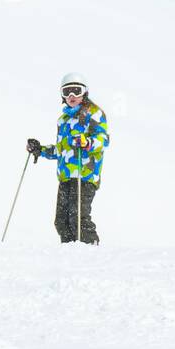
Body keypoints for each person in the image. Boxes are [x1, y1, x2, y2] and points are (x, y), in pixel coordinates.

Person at [27, 73, 110, 244]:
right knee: (61, 222)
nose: (71, 96)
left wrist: (87, 142)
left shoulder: (93, 113)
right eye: (67, 92)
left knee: (78, 218)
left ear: (84, 93)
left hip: (85, 174)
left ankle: (91, 250)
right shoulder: (63, 120)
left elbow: (103, 139)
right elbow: (61, 150)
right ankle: (70, 254)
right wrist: (40, 150)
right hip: (66, 176)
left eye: (76, 91)